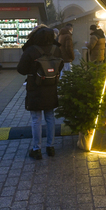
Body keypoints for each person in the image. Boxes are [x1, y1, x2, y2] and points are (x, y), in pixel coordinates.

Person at [17, 27, 64, 159]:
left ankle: (37, 149)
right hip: (51, 86)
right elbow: (60, 65)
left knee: (36, 119)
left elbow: (21, 69)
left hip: (35, 87)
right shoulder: (56, 49)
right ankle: (51, 147)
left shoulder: (32, 50)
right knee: (50, 117)